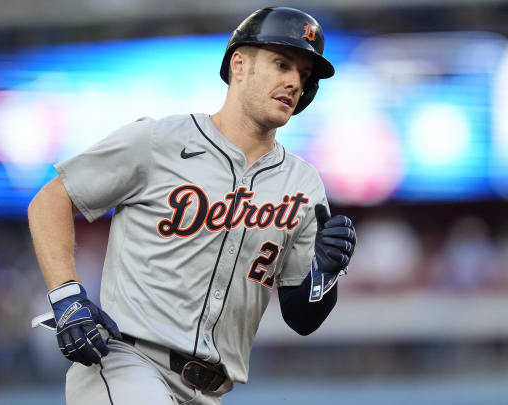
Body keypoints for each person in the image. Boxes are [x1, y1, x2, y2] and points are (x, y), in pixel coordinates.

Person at [27, 6, 357, 405]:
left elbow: (301, 317)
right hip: (126, 363)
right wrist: (66, 296)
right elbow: (52, 199)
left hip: (209, 390)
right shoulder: (160, 141)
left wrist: (326, 272)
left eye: (303, 76)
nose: (293, 82)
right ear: (239, 64)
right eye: (281, 64)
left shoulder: (303, 184)